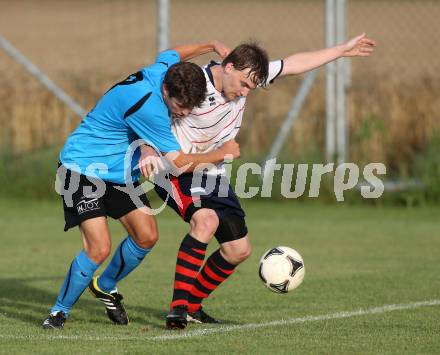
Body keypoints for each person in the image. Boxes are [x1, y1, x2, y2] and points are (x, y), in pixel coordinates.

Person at [148, 33, 376, 329]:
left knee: (238, 250)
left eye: (252, 87)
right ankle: (177, 310)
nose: (245, 93)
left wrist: (341, 50)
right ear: (228, 67)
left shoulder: (247, 76)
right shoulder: (193, 85)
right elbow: (152, 101)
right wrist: (143, 147)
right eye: (244, 84)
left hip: (211, 174)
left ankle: (192, 307)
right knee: (205, 222)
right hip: (176, 171)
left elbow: (294, 63)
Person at [41, 40, 240, 330]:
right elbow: (179, 163)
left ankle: (106, 285)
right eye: (180, 106)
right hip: (83, 168)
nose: (184, 113)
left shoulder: (162, 71)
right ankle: (58, 313)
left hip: (119, 174)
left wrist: (210, 45)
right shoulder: (151, 108)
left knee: (146, 236)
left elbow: (172, 54)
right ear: (166, 92)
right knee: (98, 248)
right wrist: (222, 153)